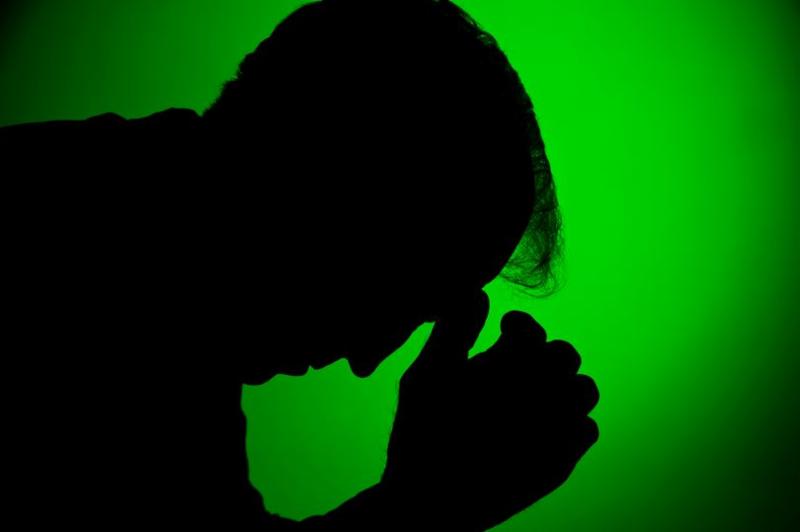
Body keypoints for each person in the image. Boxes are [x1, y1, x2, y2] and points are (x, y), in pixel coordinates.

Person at [1, 0, 599, 529]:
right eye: (396, 294)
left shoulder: (162, 279)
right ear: (325, 185)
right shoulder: (133, 296)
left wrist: (423, 501)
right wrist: (431, 503)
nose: (368, 360)